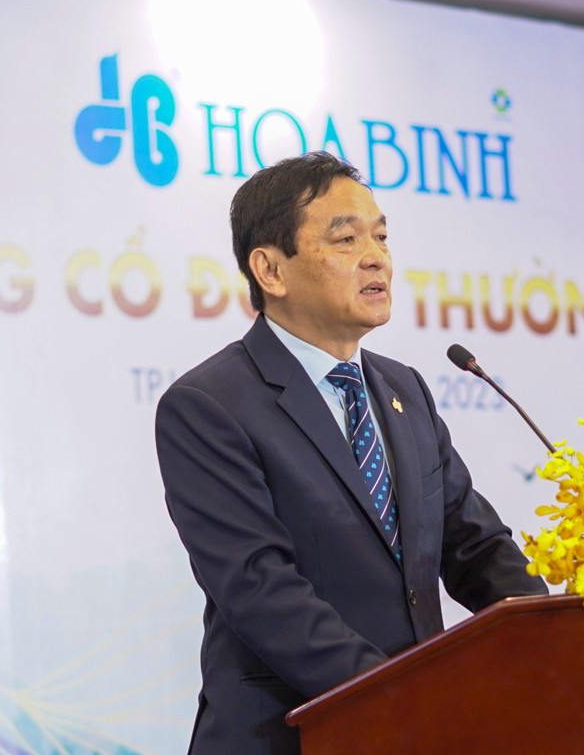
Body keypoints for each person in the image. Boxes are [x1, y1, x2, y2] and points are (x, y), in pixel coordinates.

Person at [155, 151, 547, 754]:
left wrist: (548, 637)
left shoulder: (404, 389)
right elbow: (262, 590)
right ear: (271, 270)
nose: (376, 257)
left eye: (381, 236)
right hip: (290, 736)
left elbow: (474, 545)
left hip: (415, 728)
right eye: (346, 239)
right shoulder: (209, 405)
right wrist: (409, 696)